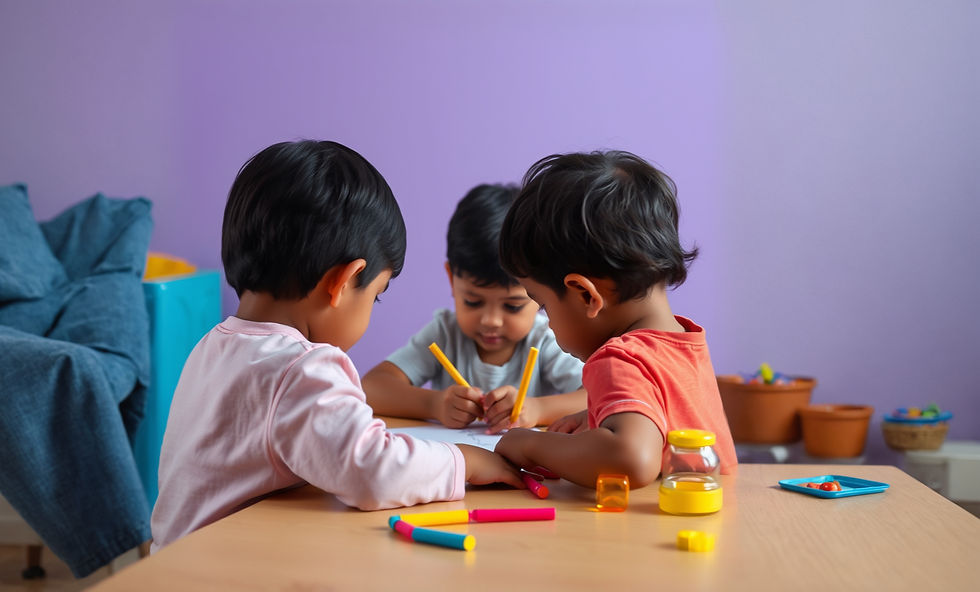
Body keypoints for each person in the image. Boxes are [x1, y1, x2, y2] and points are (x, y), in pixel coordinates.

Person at [150, 141, 522, 551]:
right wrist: (465, 460)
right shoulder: (303, 368)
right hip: (227, 571)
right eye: (376, 294)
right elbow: (371, 470)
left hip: (174, 558)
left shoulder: (211, 346)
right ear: (343, 283)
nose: (372, 307)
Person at [493, 150, 737, 488]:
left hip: (654, 537)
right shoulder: (684, 341)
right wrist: (599, 417)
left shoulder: (617, 359)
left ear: (585, 295)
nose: (546, 321)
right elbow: (668, 422)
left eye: (543, 304)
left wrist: (531, 444)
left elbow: (632, 458)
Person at [362, 183, 585, 434]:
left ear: (540, 291)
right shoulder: (445, 333)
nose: (491, 320)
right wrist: (434, 404)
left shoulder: (544, 340)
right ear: (451, 279)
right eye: (473, 302)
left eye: (512, 306)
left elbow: (596, 396)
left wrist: (536, 410)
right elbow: (372, 387)